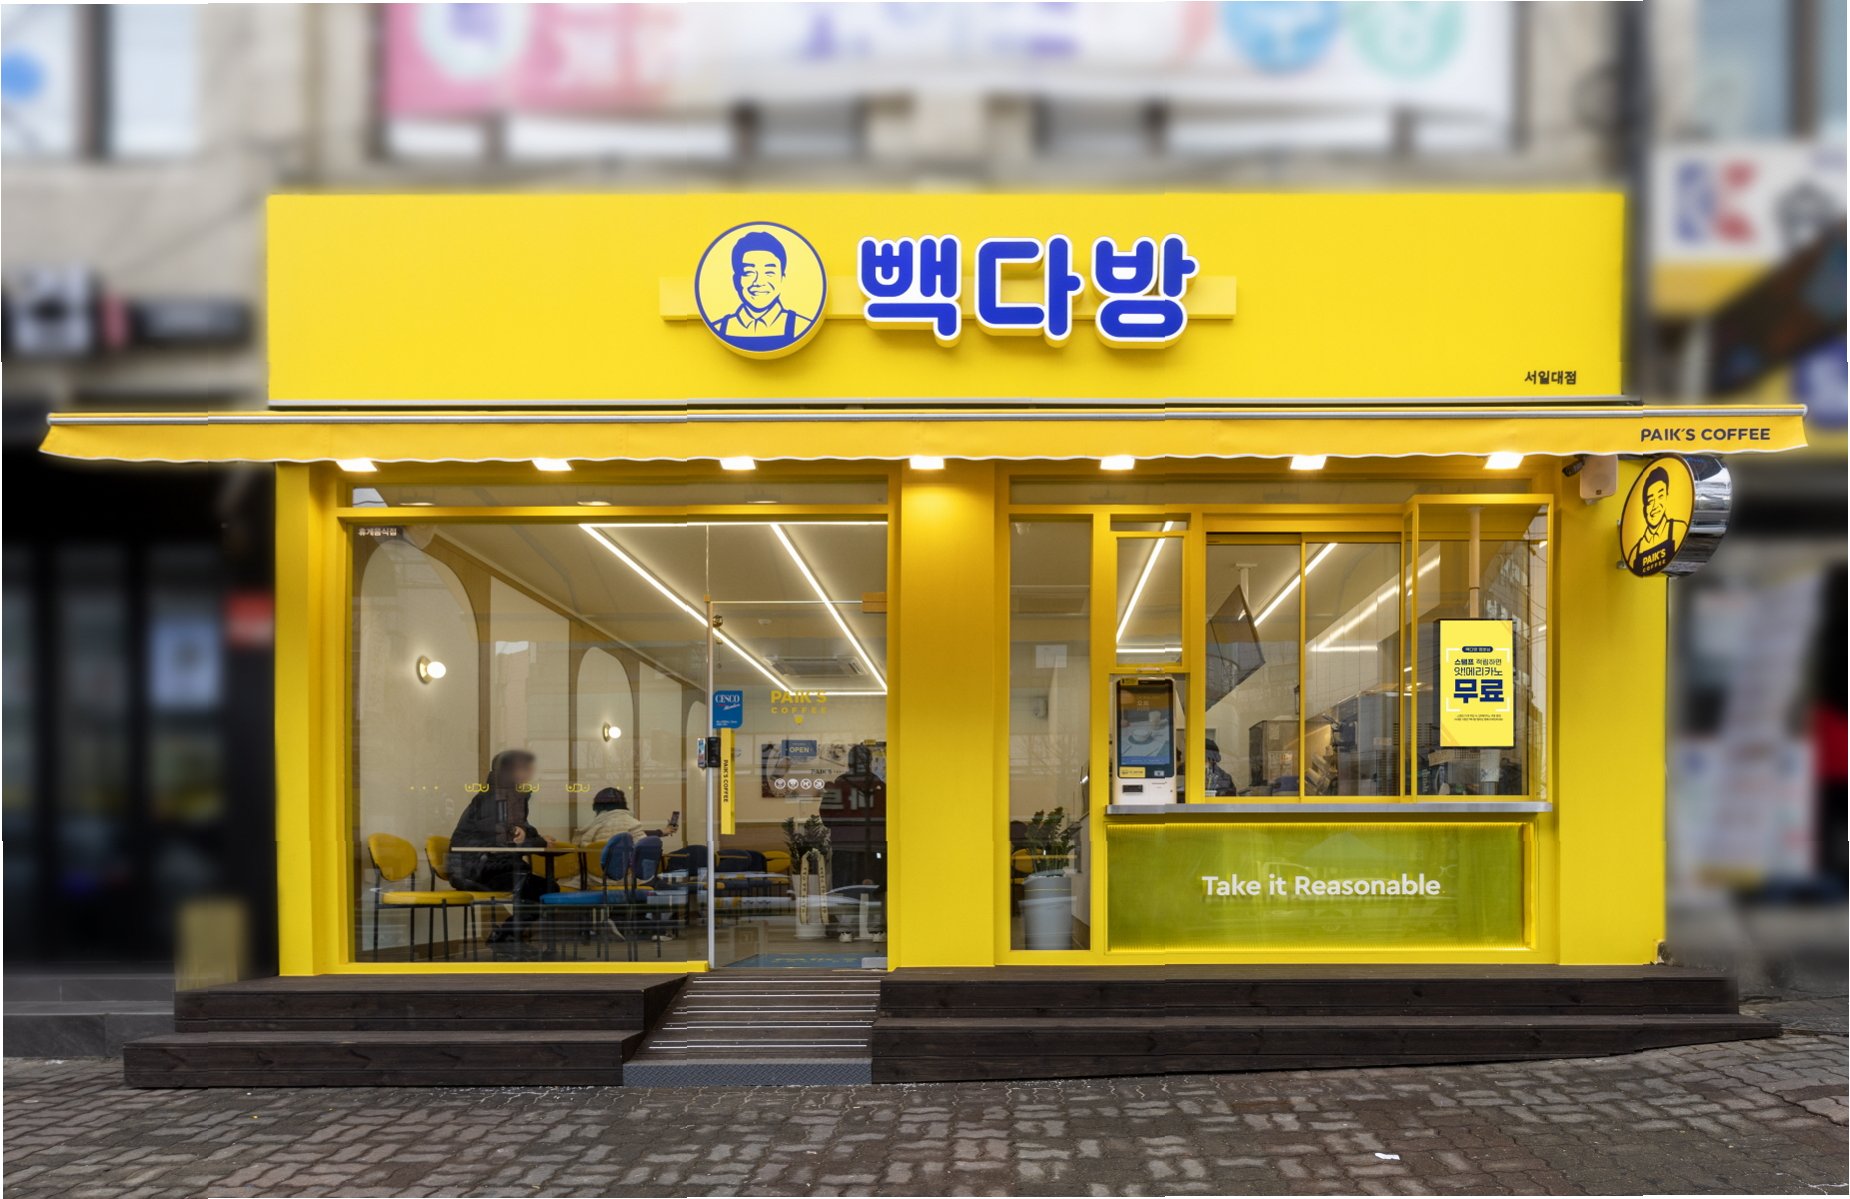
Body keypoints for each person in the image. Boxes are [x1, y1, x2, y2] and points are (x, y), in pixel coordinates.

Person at [448, 749, 557, 948]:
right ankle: (505, 938)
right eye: (523, 768)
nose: (529, 772)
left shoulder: (512, 797)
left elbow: (523, 830)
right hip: (476, 870)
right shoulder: (494, 800)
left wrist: (533, 837)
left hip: (492, 865)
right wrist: (539, 842)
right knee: (543, 889)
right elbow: (505, 839)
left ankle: (507, 938)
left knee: (542, 888)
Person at [710, 231, 812, 351]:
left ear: (782, 278)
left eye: (769, 272)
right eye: (749, 272)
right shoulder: (720, 327)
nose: (759, 282)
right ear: (736, 280)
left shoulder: (800, 325)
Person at [1625, 464, 1687, 575]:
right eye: (1650, 500)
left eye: (1660, 496)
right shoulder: (1635, 552)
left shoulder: (1679, 529)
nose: (1655, 506)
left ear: (1667, 497)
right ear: (1644, 507)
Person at [573, 788, 677, 847]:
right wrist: (661, 832)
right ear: (622, 803)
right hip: (624, 875)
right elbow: (641, 845)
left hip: (594, 874)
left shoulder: (592, 826)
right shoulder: (631, 823)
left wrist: (661, 832)